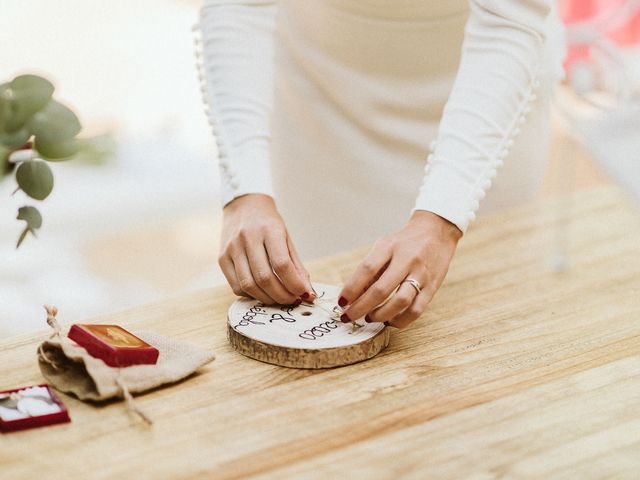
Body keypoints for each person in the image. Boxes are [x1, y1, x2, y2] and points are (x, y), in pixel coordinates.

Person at [195, 0, 565, 329]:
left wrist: (444, 216)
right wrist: (245, 188)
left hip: (485, 104)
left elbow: (507, 22)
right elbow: (238, 6)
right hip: (321, 100)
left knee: (478, 324)